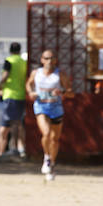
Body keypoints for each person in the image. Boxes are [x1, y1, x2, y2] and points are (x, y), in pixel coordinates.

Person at [25, 50, 71, 180]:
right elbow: (28, 84)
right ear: (42, 60)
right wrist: (31, 92)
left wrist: (62, 92)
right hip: (41, 107)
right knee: (46, 133)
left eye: (52, 58)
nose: (49, 61)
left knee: (55, 139)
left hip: (56, 108)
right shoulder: (36, 73)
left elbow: (70, 91)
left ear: (55, 60)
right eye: (46, 58)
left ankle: (52, 163)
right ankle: (46, 157)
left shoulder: (60, 74)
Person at [0, 42, 28, 157]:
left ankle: (14, 148)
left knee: (14, 123)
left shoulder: (9, 61)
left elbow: (5, 75)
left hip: (11, 95)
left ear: (10, 50)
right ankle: (20, 148)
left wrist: (0, 85)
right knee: (18, 122)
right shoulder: (23, 62)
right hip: (21, 94)